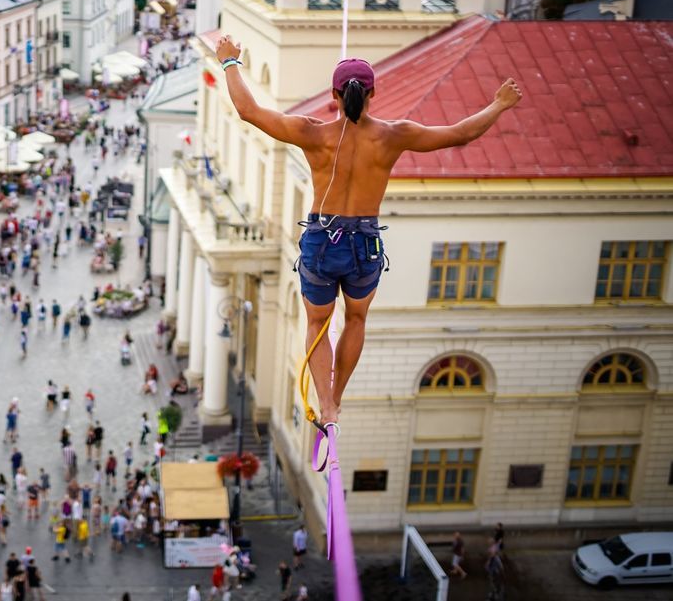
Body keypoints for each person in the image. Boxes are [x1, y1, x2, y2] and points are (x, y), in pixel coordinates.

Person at [216, 36, 522, 429]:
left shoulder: (313, 134)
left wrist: (229, 62)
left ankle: (324, 403)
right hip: (365, 242)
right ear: (373, 93)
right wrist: (499, 104)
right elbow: (459, 134)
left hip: (323, 240)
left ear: (334, 95)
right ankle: (337, 401)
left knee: (316, 324)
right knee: (355, 320)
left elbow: (248, 111)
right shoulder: (394, 135)